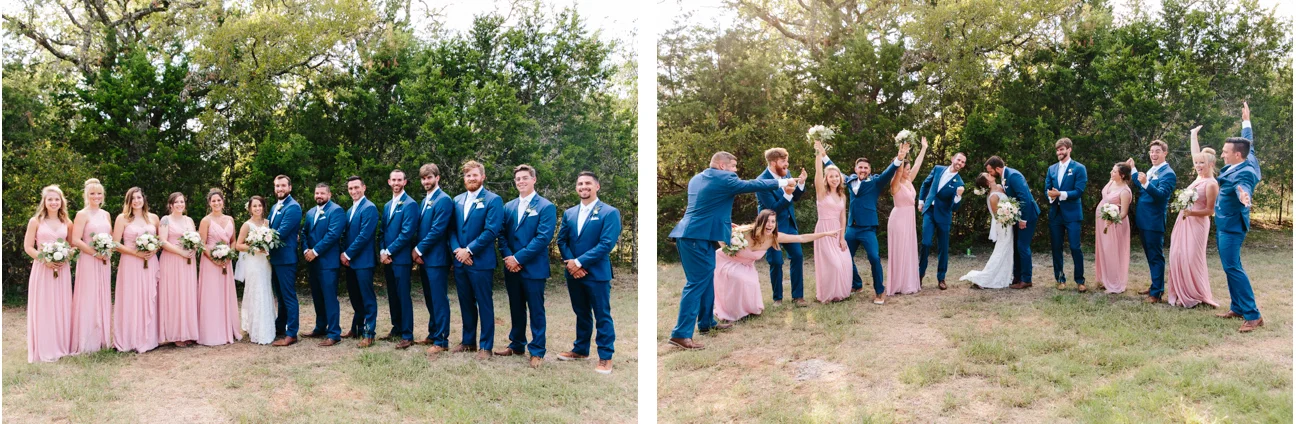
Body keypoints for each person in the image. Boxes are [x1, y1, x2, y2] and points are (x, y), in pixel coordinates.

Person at [667, 152, 794, 350]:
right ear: (721, 165)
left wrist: (724, 224)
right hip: (696, 238)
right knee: (696, 284)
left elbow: (707, 207)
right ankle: (680, 334)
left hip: (696, 235)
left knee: (707, 281)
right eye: (733, 166)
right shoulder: (724, 178)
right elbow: (751, 185)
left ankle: (706, 323)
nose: (735, 171)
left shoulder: (697, 178)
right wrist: (783, 182)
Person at [714, 210, 839, 324]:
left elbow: (801, 238)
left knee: (750, 283)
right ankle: (732, 313)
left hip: (746, 266)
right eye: (767, 221)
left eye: (773, 221)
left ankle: (746, 310)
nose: (770, 224)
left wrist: (825, 233)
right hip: (728, 261)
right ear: (760, 222)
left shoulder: (774, 237)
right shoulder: (746, 232)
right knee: (739, 278)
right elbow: (720, 235)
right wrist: (727, 248)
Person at [822, 141, 908, 303]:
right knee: (844, 257)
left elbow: (889, 172)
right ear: (855, 169)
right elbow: (835, 170)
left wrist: (899, 158)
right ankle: (856, 284)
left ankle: (879, 291)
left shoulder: (876, 182)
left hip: (868, 229)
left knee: (874, 258)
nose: (863, 170)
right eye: (860, 167)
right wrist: (823, 155)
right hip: (851, 228)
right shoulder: (849, 181)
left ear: (869, 170)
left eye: (866, 168)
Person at [555, 172, 622, 374]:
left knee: (602, 315)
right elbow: (562, 241)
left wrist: (579, 262)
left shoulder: (609, 212)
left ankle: (605, 357)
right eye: (580, 183)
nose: (583, 186)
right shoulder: (569, 213)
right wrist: (571, 265)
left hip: (597, 273)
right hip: (573, 273)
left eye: (588, 183)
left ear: (597, 186)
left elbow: (606, 244)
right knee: (581, 313)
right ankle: (580, 350)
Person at [496, 165, 557, 369]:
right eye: (518, 179)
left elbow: (543, 238)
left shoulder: (546, 206)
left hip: (533, 267)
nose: (521, 181)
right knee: (516, 307)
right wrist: (508, 257)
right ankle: (516, 344)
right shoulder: (508, 206)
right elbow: (501, 234)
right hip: (511, 266)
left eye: (524, 178)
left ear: (534, 179)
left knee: (536, 310)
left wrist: (518, 259)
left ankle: (537, 350)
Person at [1214, 102, 1263, 332]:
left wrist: (1244, 195)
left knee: (1233, 267)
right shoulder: (1247, 156)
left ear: (1236, 154)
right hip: (1225, 223)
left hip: (1232, 226)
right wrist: (1246, 122)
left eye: (1225, 152)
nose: (1222, 154)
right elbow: (1249, 143)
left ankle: (1253, 315)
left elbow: (1242, 187)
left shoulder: (1245, 173)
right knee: (1230, 266)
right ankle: (1237, 307)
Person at [450, 160, 505, 359]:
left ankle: (486, 346)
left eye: (475, 175)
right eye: (468, 175)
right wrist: (458, 250)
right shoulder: (457, 200)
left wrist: (469, 251)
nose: (471, 178)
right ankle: (468, 342)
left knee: (484, 303)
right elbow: (451, 229)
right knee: (465, 302)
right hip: (460, 261)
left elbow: (491, 231)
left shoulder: (493, 200)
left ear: (483, 177)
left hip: (480, 262)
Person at [1165, 125, 1219, 308]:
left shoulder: (1211, 184)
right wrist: (1193, 135)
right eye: (1196, 163)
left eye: (1202, 163)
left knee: (1191, 258)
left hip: (1197, 224)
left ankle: (1194, 294)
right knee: (1178, 255)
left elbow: (1210, 211)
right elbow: (1196, 153)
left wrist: (1191, 212)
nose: (1198, 166)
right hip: (1183, 222)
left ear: (1211, 164)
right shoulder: (1198, 178)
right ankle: (1181, 292)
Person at [24, 185, 75, 362]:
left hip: (62, 269)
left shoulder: (67, 223)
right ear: (44, 202)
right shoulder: (35, 221)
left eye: (57, 199)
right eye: (50, 199)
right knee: (44, 306)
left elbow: (72, 246)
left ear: (62, 202)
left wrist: (65, 257)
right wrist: (44, 259)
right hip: (42, 269)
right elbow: (28, 247)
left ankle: (60, 344)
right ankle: (44, 346)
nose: (54, 202)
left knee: (61, 306)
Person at [755, 147, 808, 307]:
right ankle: (777, 298)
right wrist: (787, 194)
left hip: (789, 224)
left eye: (787, 161)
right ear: (773, 162)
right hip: (771, 228)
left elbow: (794, 198)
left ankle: (798, 297)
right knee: (776, 262)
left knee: (797, 256)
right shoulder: (761, 181)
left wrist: (801, 184)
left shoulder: (787, 173)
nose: (787, 164)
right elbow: (773, 208)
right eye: (783, 161)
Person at [411, 164, 454, 356]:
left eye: (429, 177)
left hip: (437, 258)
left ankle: (442, 340)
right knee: (429, 298)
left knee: (439, 299)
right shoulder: (425, 200)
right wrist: (420, 253)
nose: (426, 181)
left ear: (437, 178)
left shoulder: (443, 200)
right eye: (423, 178)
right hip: (425, 258)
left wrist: (418, 249)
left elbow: (437, 230)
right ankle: (433, 333)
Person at [112, 187, 161, 353]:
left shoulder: (153, 218)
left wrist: (153, 250)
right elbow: (115, 243)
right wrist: (136, 253)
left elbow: (160, 240)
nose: (136, 201)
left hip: (150, 261)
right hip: (130, 262)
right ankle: (129, 339)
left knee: (148, 296)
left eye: (139, 197)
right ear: (128, 201)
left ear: (143, 199)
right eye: (132, 198)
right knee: (131, 297)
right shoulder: (122, 219)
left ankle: (149, 339)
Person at [1127, 140, 1176, 303]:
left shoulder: (1168, 173)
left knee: (1155, 256)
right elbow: (1142, 186)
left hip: (1154, 221)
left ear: (1165, 153)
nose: (1153, 154)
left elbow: (1161, 196)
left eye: (1157, 151)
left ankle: (1156, 293)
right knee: (1150, 255)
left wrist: (1146, 183)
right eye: (1151, 152)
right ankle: (1155, 285)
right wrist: (1133, 169)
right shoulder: (1153, 170)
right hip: (1143, 219)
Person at [69, 179, 113, 354]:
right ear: (86, 195)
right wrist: (95, 253)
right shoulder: (82, 214)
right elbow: (75, 240)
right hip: (88, 259)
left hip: (104, 260)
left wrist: (107, 250)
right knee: (89, 296)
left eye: (99, 193)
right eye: (92, 193)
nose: (96, 196)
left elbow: (110, 237)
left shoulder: (106, 214)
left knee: (102, 295)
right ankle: (87, 342)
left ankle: (102, 339)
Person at [299, 184, 345, 346]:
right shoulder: (311, 212)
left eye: (322, 193)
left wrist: (315, 251)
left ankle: (334, 333)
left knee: (330, 298)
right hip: (312, 262)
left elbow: (333, 235)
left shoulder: (336, 211)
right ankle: (320, 327)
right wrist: (306, 250)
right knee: (317, 297)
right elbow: (304, 233)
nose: (319, 196)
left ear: (329, 195)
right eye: (317, 193)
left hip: (328, 263)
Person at [986, 157, 1041, 289]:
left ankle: (1026, 279)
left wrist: (1023, 219)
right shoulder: (1004, 177)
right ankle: (1017, 277)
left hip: (1027, 215)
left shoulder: (1014, 175)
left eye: (990, 171)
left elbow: (1024, 198)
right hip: (1016, 216)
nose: (990, 174)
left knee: (1022, 246)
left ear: (997, 168)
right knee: (1016, 246)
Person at [380, 169, 420, 349]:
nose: (396, 183)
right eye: (393, 180)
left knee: (403, 296)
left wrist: (389, 251)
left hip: (401, 259)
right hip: (387, 258)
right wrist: (382, 251)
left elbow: (406, 233)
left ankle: (407, 334)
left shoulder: (410, 204)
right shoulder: (388, 205)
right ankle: (396, 328)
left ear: (405, 182)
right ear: (389, 182)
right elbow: (382, 231)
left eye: (399, 180)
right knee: (392, 295)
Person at [196, 188, 242, 346]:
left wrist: (229, 255)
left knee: (224, 294)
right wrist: (214, 259)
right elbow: (201, 244)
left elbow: (233, 241)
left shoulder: (230, 219)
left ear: (223, 202)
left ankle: (227, 328)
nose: (216, 203)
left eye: (219, 200)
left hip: (226, 262)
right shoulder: (205, 221)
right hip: (210, 262)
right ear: (209, 203)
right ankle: (211, 332)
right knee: (212, 295)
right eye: (213, 201)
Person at [886, 138, 929, 297]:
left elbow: (917, 164)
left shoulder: (909, 180)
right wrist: (901, 156)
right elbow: (898, 171)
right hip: (898, 220)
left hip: (909, 220)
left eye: (909, 169)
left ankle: (906, 282)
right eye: (907, 169)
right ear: (901, 169)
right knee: (899, 250)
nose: (909, 171)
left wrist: (924, 148)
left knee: (908, 249)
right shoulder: (895, 184)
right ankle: (897, 283)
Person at [340, 176, 380, 348]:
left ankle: (369, 334)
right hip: (351, 262)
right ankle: (356, 328)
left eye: (356, 187)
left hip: (364, 261)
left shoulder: (369, 208)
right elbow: (346, 235)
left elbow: (364, 236)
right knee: (355, 297)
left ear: (364, 187)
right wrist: (345, 254)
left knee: (367, 299)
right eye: (350, 188)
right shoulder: (350, 210)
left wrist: (347, 254)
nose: (353, 191)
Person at [810, 140, 852, 303]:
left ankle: (840, 293)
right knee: (832, 264)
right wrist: (818, 154)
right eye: (831, 176)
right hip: (824, 230)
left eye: (836, 176)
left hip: (837, 231)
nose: (834, 179)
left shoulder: (842, 196)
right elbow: (817, 173)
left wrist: (842, 237)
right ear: (826, 179)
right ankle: (827, 294)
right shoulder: (821, 193)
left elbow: (843, 217)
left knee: (845, 262)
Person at [918, 152, 967, 290]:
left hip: (944, 216)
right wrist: (921, 201)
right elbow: (926, 184)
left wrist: (958, 196)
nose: (960, 163)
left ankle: (941, 278)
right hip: (929, 211)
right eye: (959, 160)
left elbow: (955, 207)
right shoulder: (938, 169)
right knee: (926, 243)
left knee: (943, 248)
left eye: (963, 162)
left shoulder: (960, 183)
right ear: (952, 159)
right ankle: (919, 275)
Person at [1044, 138, 1088, 291]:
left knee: (1075, 247)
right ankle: (1060, 279)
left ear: (1069, 149)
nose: (1059, 152)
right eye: (1057, 150)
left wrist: (1060, 194)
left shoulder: (1079, 168)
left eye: (1062, 149)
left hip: (1073, 214)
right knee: (1056, 247)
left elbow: (1079, 191)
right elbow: (1047, 188)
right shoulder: (1051, 169)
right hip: (1055, 214)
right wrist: (1051, 195)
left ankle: (1080, 280)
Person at [157, 192, 200, 347]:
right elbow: (162, 241)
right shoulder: (165, 220)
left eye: (182, 202)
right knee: (174, 294)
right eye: (176, 202)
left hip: (188, 261)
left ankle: (187, 332)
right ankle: (175, 334)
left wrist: (194, 248)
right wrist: (181, 252)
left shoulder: (189, 220)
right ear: (170, 205)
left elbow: (195, 238)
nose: (180, 204)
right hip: (172, 260)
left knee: (187, 294)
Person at [958, 173, 1014, 289]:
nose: (990, 174)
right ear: (987, 182)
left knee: (1007, 249)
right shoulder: (992, 196)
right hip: (1003, 225)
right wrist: (1010, 214)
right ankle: (987, 277)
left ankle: (1005, 275)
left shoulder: (1000, 186)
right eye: (988, 175)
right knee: (1001, 249)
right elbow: (997, 216)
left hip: (1008, 223)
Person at [233, 196, 276, 345]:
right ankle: (256, 328)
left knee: (266, 289)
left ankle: (267, 326)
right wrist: (254, 248)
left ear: (263, 207)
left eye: (260, 205)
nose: (257, 208)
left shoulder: (268, 223)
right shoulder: (247, 225)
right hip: (253, 262)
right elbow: (238, 245)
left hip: (265, 262)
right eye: (254, 206)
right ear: (250, 208)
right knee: (256, 290)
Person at [269, 175, 303, 347]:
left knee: (288, 296)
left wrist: (259, 239)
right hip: (275, 258)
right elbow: (270, 228)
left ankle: (292, 333)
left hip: (286, 259)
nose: (280, 189)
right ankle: (280, 327)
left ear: (290, 187)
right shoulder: (275, 206)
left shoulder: (293, 207)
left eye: (283, 185)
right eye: (277, 186)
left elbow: (280, 233)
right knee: (280, 297)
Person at [1093, 164, 1133, 293]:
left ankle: (1114, 283)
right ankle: (1105, 279)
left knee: (1113, 252)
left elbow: (1124, 213)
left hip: (1115, 225)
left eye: (1114, 171)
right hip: (1102, 223)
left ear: (1122, 175)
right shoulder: (1112, 182)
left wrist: (1112, 220)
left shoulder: (1125, 191)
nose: (1111, 172)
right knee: (1104, 250)